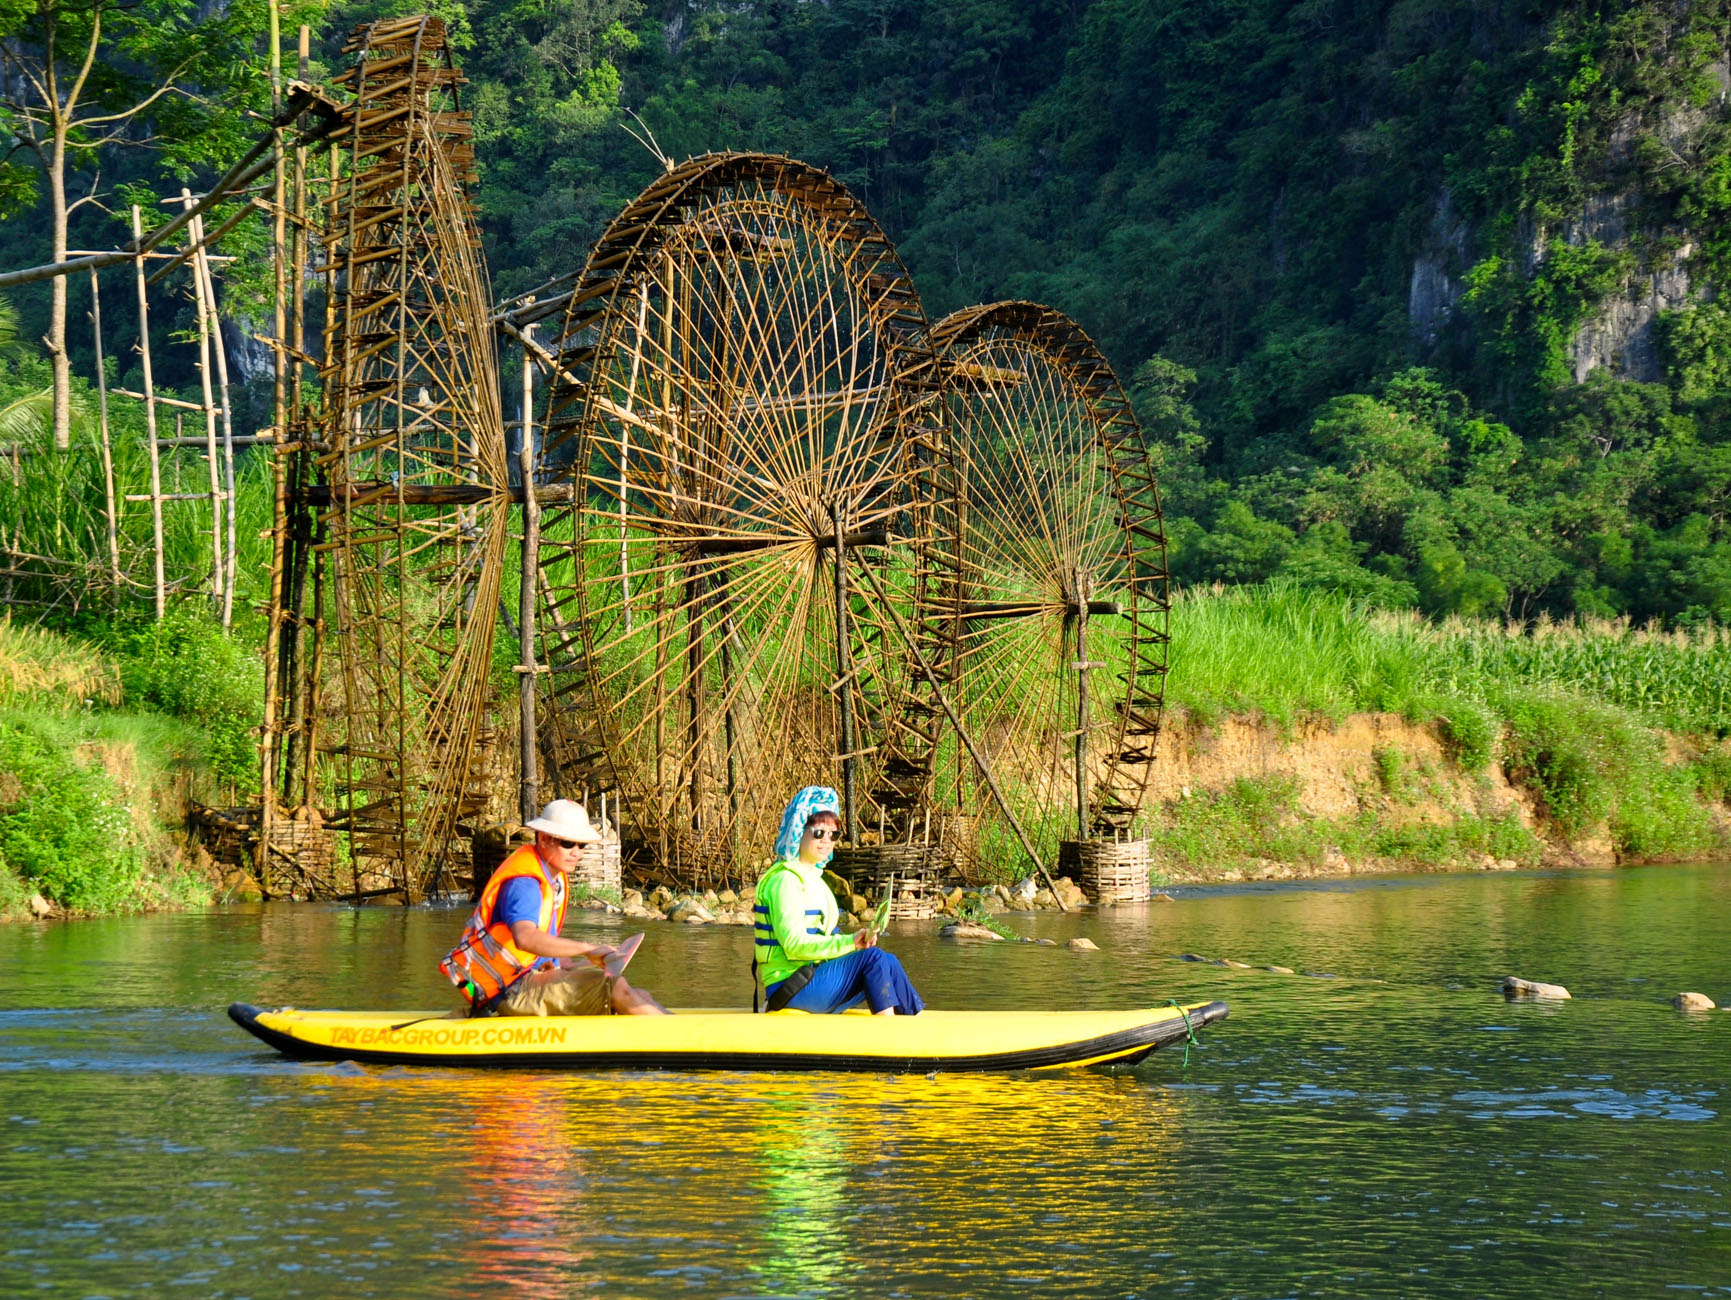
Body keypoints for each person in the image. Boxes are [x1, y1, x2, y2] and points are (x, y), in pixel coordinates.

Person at [441, 799, 667, 1017]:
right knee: (618, 988)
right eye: (567, 843)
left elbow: (540, 955)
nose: (576, 852)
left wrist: (582, 961)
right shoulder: (526, 884)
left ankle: (673, 1027)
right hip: (511, 991)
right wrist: (587, 948)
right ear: (543, 839)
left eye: (582, 845)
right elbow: (526, 939)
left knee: (639, 993)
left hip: (522, 981)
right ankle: (683, 1043)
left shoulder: (552, 878)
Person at [752, 786, 924, 1016]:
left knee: (887, 961)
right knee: (872, 960)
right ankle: (888, 1033)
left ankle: (917, 1021)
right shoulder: (785, 881)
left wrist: (857, 940)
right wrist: (850, 943)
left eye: (833, 834)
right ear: (797, 831)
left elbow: (827, 939)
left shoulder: (817, 882)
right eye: (818, 833)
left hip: (812, 978)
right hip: (789, 987)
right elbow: (794, 946)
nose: (826, 841)